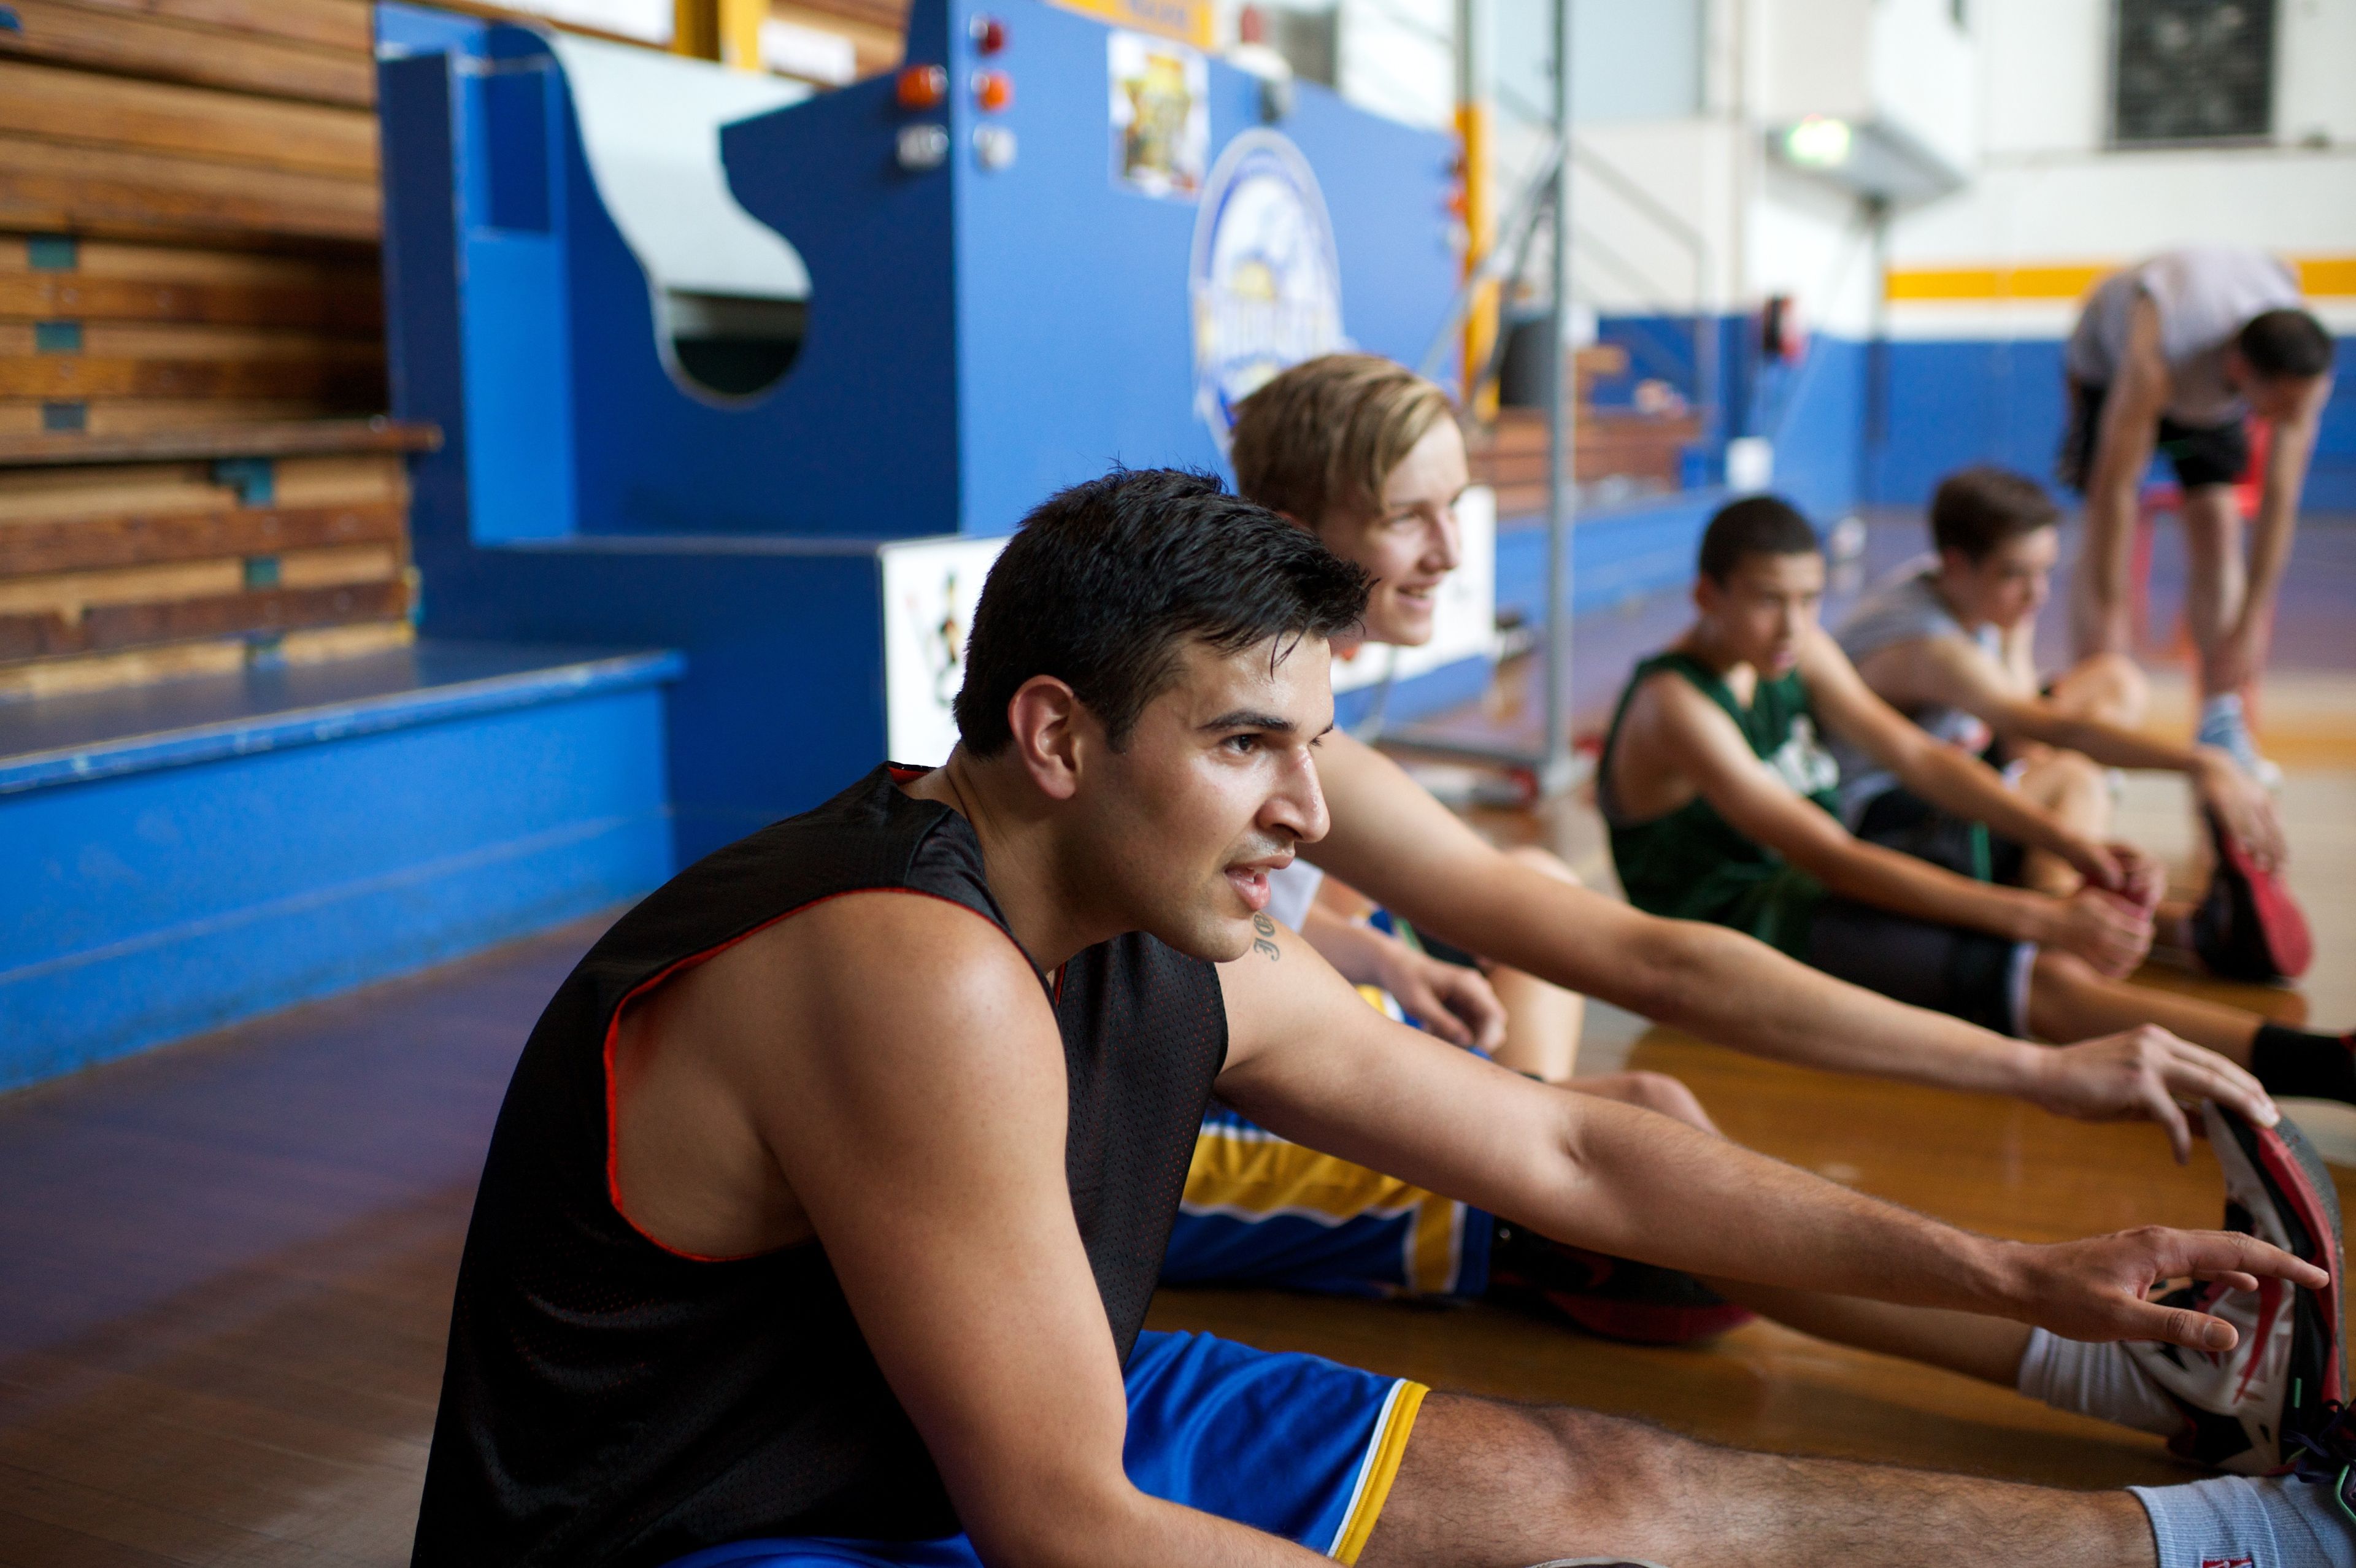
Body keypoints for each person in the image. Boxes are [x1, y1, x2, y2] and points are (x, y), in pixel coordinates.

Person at [416, 467, 2341, 1568]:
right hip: (704, 1534)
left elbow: (1575, 1146)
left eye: (1313, 743)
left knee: (1613, 1497)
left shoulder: (1158, 914)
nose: (1313, 816)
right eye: (1249, 743)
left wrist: (2027, 1277)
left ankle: (2234, 1543)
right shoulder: (904, 967)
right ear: (1056, 737)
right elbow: (1063, 1526)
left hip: (966, 1428)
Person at [1596, 493, 2356, 1111]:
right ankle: (2330, 1069)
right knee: (2040, 977)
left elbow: (1920, 756)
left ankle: (2169, 930)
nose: (1795, 623)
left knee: (2046, 867)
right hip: (1743, 933)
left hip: (1820, 884)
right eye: (1769, 602)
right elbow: (1831, 856)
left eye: (1809, 599)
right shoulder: (1676, 705)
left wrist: (2067, 845)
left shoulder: (1797, 649)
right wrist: (2044, 917)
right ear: (1706, 595)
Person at [1833, 464, 2308, 983]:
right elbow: (2046, 728)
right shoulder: (1927, 646)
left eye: (2045, 572)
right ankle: (2065, 941)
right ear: (1957, 564)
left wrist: (2017, 628)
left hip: (1956, 766)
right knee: (2074, 780)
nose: (2038, 594)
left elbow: (2020, 719)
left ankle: (2156, 922)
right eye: (2017, 574)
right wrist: (2200, 761)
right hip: (1892, 821)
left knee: (2113, 682)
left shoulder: (1963, 589)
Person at [2060, 246, 2338, 775]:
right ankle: (2098, 718)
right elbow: (2119, 491)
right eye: (2276, 407)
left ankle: (2220, 719)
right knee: (2102, 526)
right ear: (2240, 369)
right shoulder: (2159, 349)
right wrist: (2113, 621)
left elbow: (2280, 493)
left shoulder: (2298, 369)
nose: (2284, 420)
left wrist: (2251, 619)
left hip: (2206, 386)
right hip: (2107, 368)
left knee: (2217, 523)